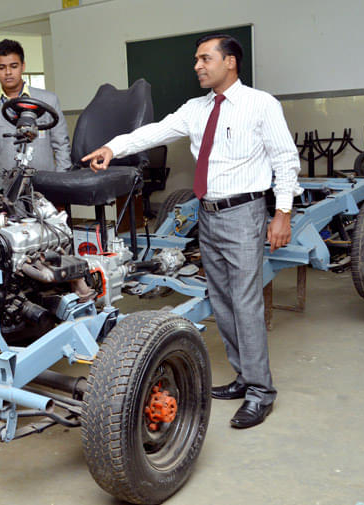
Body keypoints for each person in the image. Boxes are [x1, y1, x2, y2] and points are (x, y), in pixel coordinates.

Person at [83, 33, 302, 429]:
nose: (198, 66)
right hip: (209, 214)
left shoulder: (260, 105)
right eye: (196, 60)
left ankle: (260, 392)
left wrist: (282, 212)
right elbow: (155, 131)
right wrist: (113, 148)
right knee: (222, 301)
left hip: (244, 212)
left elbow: (285, 160)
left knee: (246, 302)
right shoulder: (196, 109)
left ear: (230, 62)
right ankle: (243, 377)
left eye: (205, 59)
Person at [0, 39, 71, 180]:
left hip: (47, 187)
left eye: (13, 66)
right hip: (7, 191)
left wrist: (62, 184)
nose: (8, 72)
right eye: (2, 68)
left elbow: (62, 145)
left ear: (23, 66)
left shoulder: (48, 100)